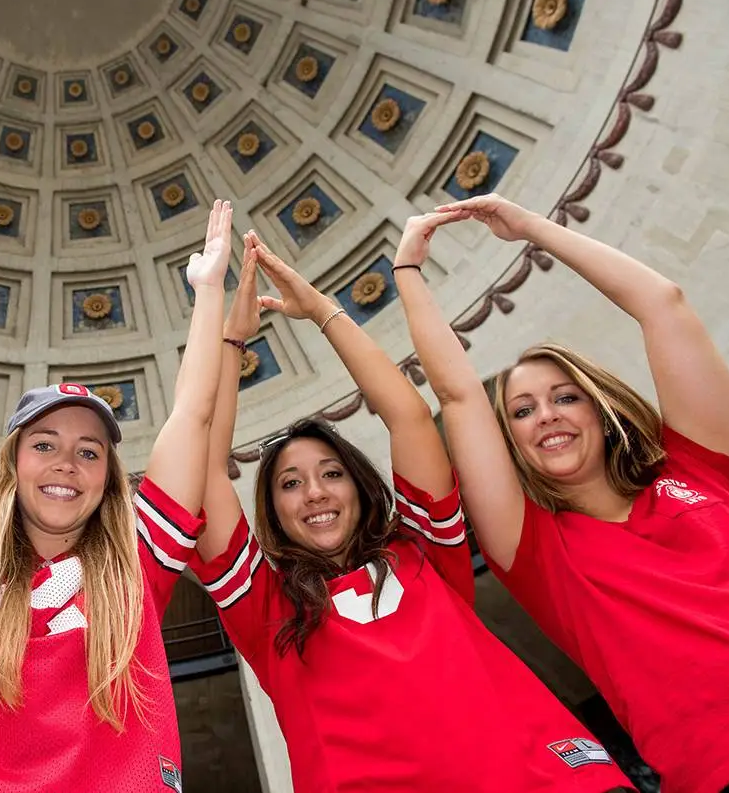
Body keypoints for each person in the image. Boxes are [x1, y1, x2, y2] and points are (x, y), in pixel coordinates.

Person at [189, 230, 633, 791]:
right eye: (291, 484)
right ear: (273, 512)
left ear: (360, 487)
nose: (317, 493)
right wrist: (231, 342)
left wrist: (324, 311)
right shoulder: (265, 607)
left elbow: (410, 417)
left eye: (332, 474)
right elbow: (202, 469)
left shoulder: (424, 551)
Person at [396, 193, 729, 793]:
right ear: (512, 442)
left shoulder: (700, 466)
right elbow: (457, 398)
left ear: (601, 409)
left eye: (565, 396)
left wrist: (530, 227)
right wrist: (407, 274)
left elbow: (664, 305)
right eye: (522, 411)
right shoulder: (534, 551)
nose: (546, 416)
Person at [0, 195, 230, 792]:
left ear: (109, 476)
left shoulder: (141, 558)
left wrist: (208, 292)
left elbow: (193, 417)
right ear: (13, 462)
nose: (67, 463)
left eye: (89, 451)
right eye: (44, 444)